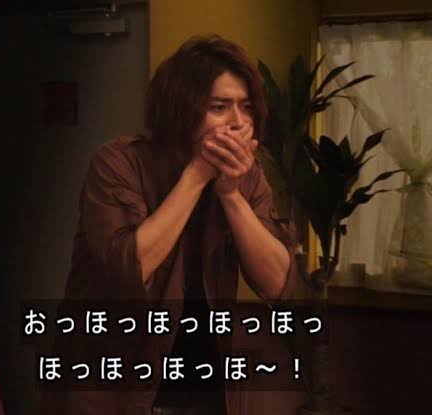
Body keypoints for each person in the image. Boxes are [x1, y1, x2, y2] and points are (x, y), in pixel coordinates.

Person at [40, 34, 297, 415]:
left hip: (205, 390)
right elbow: (130, 268)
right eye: (220, 107)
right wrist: (197, 174)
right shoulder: (118, 163)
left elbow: (278, 283)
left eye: (246, 108)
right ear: (182, 110)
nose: (238, 122)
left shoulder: (247, 176)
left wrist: (230, 195)